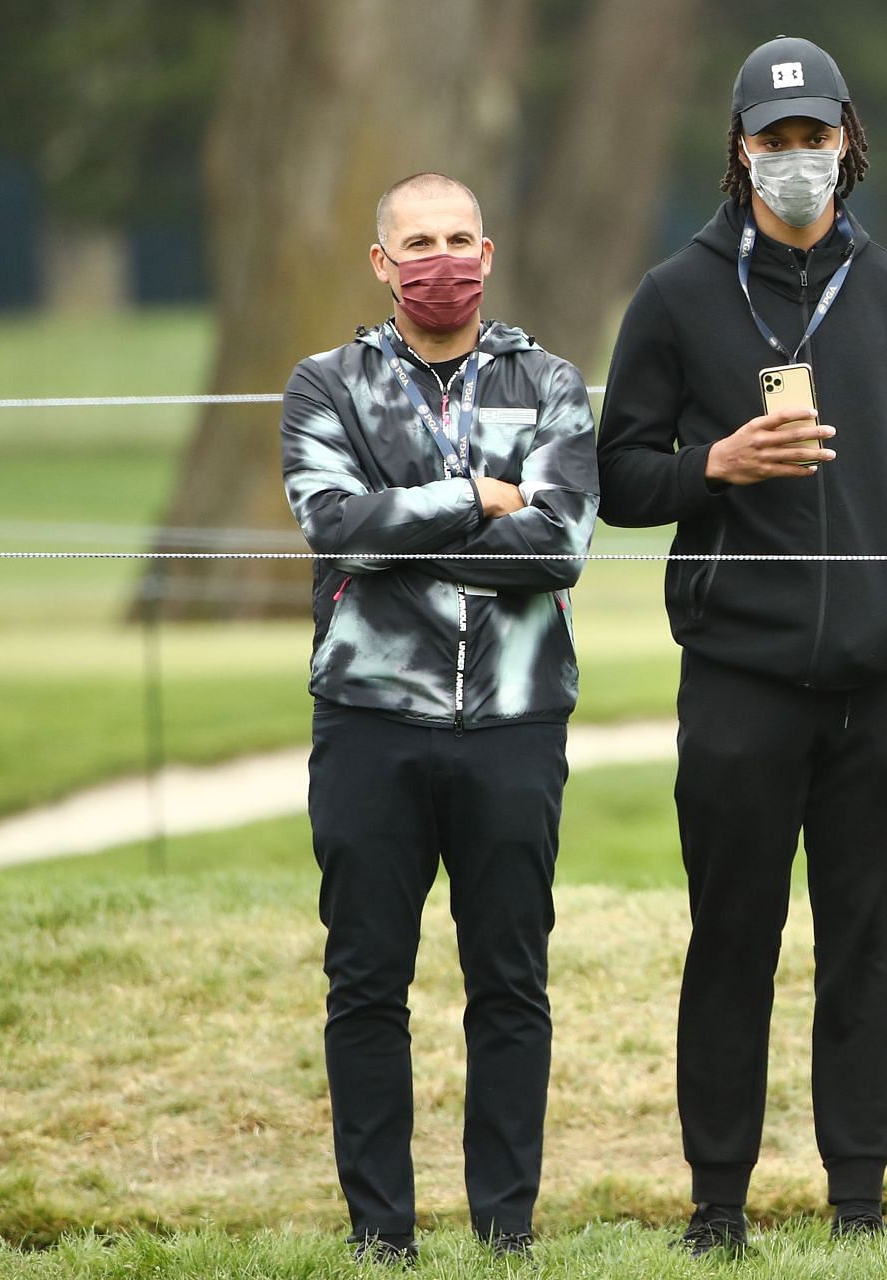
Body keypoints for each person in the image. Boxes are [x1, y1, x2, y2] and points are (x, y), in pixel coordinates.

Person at [594, 36, 887, 1255]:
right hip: (738, 680)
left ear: (848, 141)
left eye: (816, 138)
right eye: (776, 139)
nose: (798, 159)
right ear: (739, 148)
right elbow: (616, 476)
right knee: (733, 939)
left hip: (879, 681)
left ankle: (857, 1195)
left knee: (864, 940)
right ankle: (719, 1200)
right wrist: (713, 465)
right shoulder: (674, 296)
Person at [280, 172, 599, 1263]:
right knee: (366, 979)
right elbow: (335, 525)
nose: (441, 256)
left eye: (459, 237)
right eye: (418, 240)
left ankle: (505, 1225)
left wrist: (411, 524)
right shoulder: (324, 384)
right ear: (382, 262)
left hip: (515, 721)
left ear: (490, 251)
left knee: (509, 979)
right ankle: (382, 1231)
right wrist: (477, 497)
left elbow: (560, 546)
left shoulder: (549, 381)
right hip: (368, 720)